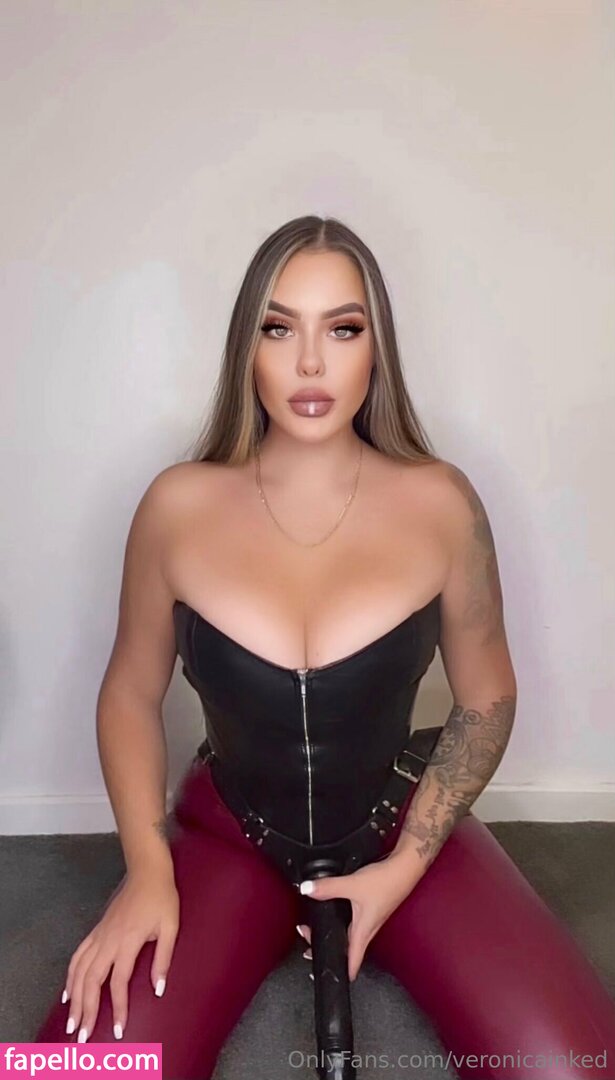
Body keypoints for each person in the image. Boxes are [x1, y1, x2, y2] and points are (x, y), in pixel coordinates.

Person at [35, 216, 615, 1079]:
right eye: (279, 329)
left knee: (579, 1063)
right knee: (67, 1071)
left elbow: (486, 696)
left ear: (376, 348)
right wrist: (146, 871)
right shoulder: (176, 506)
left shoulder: (441, 503)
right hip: (230, 834)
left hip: (397, 825)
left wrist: (403, 869)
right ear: (248, 347)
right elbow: (128, 689)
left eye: (342, 329)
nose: (310, 363)